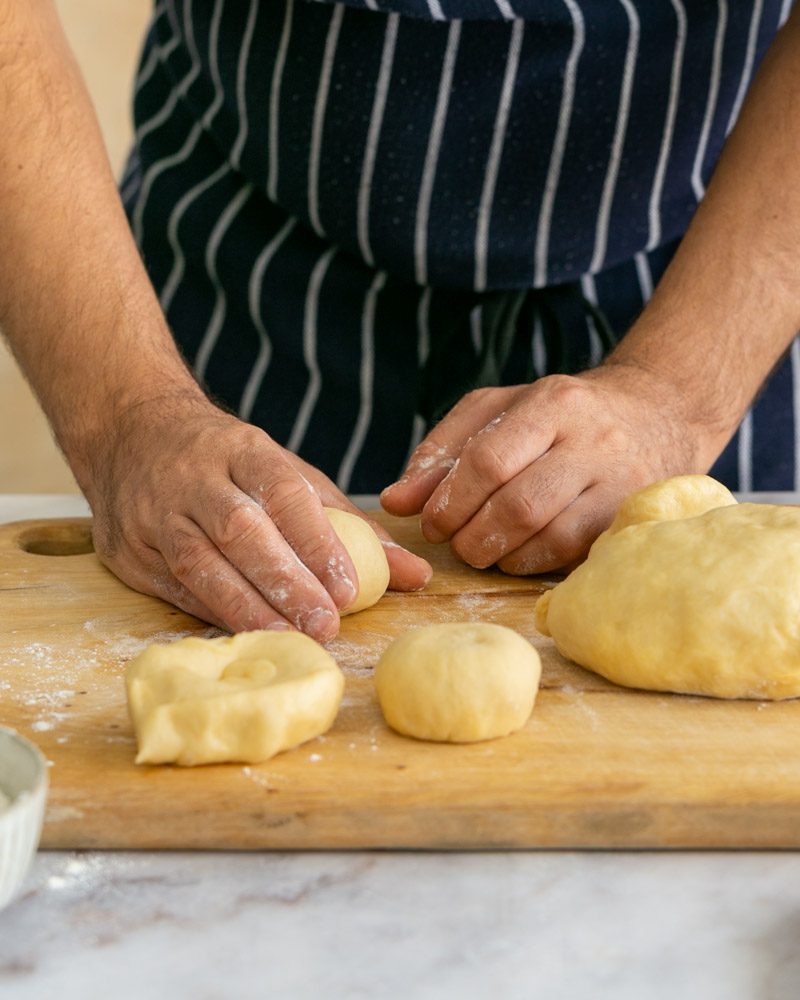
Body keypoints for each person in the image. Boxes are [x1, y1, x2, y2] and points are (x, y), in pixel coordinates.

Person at [1, 0, 798, 641]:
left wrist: (679, 393)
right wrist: (127, 417)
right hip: (255, 269)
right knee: (218, 571)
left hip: (720, 259)